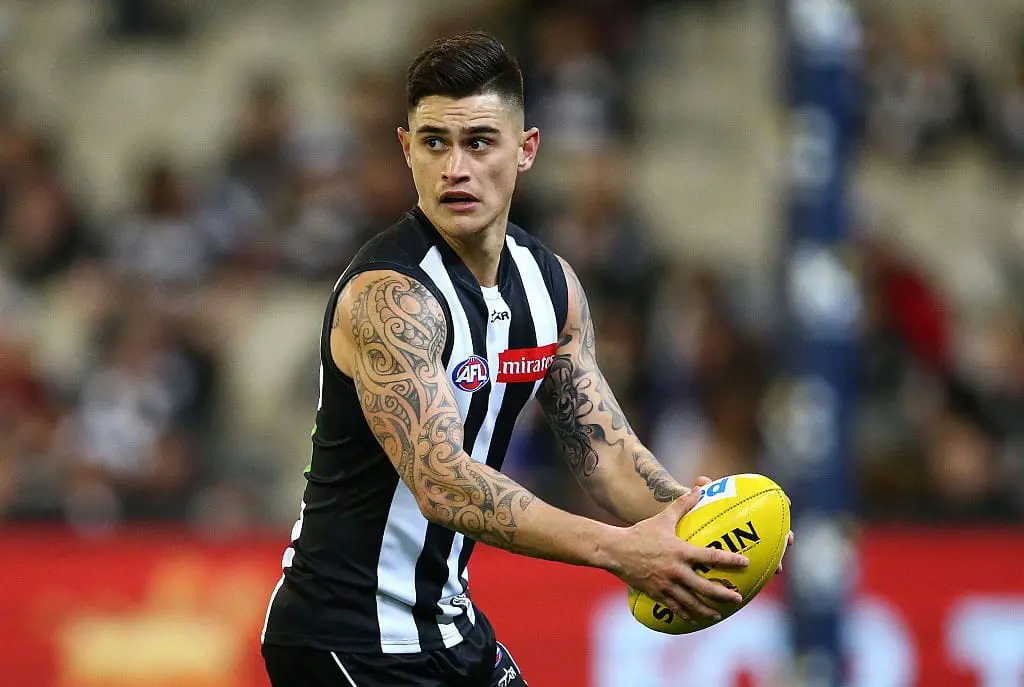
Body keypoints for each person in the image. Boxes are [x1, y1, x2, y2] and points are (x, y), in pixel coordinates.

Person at [261, 31, 788, 687]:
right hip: (346, 635)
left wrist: (695, 522)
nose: (456, 168)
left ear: (526, 149)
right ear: (406, 150)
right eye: (434, 143)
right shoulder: (391, 299)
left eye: (480, 142)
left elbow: (606, 455)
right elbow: (444, 485)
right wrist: (618, 549)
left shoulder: (550, 286)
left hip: (448, 625)